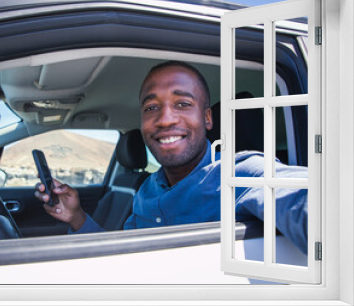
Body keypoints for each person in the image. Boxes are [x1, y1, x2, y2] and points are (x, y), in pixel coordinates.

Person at [35, 61, 309, 254]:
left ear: (207, 117)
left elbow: (309, 201)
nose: (165, 119)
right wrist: (77, 216)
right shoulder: (146, 190)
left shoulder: (242, 173)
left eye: (183, 104)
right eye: (152, 107)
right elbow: (123, 258)